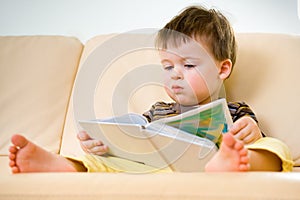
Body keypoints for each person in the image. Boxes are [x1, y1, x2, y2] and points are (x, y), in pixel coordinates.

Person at [9, 5, 293, 173]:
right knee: (103, 161)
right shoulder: (157, 112)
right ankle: (65, 167)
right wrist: (103, 144)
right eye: (168, 67)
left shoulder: (236, 111)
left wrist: (252, 132)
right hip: (158, 170)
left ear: (222, 69)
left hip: (213, 162)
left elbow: (256, 135)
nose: (175, 76)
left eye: (189, 66)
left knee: (275, 147)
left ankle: (231, 163)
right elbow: (132, 142)